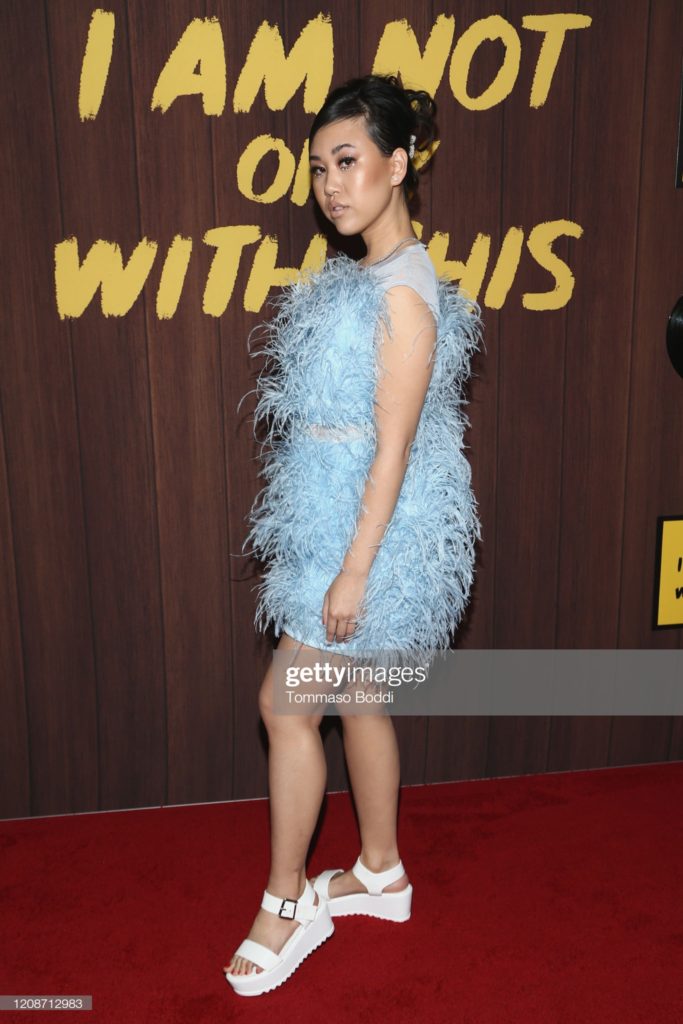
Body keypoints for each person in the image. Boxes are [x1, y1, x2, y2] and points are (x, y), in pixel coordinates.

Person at [224, 73, 484, 997]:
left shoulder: (406, 293)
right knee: (363, 699)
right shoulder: (366, 274)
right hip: (327, 513)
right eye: (318, 168)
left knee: (285, 706)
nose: (330, 184)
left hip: (367, 530)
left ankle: (287, 904)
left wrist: (354, 570)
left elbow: (397, 448)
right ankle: (379, 871)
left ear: (398, 164)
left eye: (348, 161)